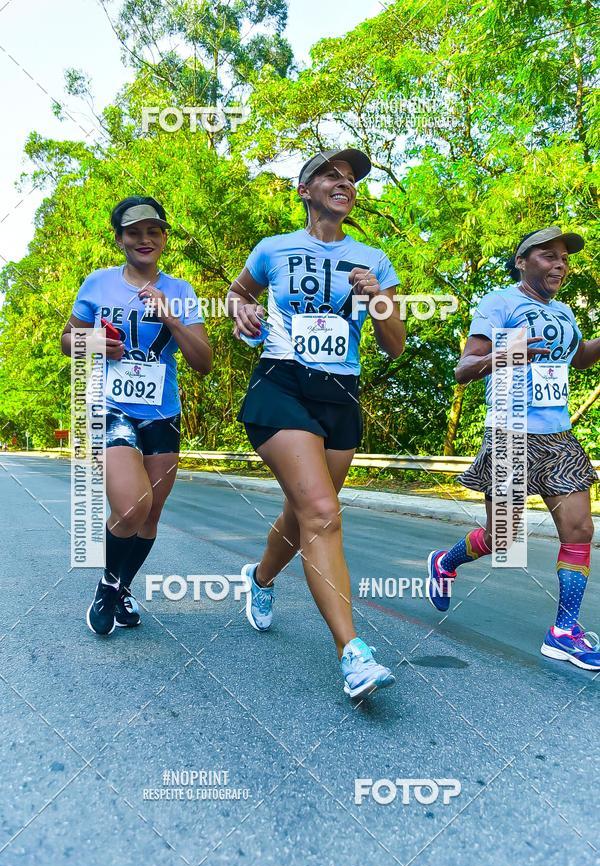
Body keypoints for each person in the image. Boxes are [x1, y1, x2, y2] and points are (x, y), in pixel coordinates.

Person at [227, 148, 406, 699]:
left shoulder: (372, 258)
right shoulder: (273, 249)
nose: (343, 182)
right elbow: (238, 294)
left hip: (339, 394)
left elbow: (394, 346)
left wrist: (379, 300)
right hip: (280, 384)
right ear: (305, 190)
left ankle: (259, 579)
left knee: (302, 512)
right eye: (331, 174)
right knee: (323, 512)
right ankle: (352, 653)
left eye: (350, 179)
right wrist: (242, 311)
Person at [427, 226, 600, 670]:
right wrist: (503, 356)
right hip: (509, 433)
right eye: (548, 255)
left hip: (557, 436)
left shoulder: (564, 312)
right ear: (523, 262)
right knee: (504, 538)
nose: (560, 263)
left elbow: (578, 358)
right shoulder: (499, 303)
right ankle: (446, 561)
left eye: (564, 257)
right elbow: (464, 370)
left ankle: (564, 631)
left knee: (580, 530)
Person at [61, 196, 212, 635]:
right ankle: (108, 586)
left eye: (153, 231)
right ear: (119, 238)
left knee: (150, 517)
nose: (144, 240)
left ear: (164, 237)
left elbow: (203, 361)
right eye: (134, 232)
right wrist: (92, 343)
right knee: (131, 507)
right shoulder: (98, 283)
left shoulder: (181, 291)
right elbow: (67, 341)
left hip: (162, 414)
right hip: (111, 408)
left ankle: (122, 586)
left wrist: (171, 316)